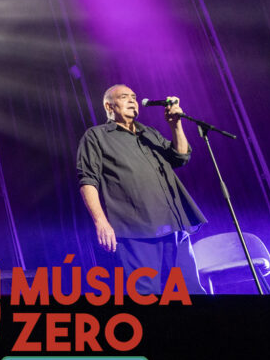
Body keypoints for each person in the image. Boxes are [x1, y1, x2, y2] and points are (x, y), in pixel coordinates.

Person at [76, 84, 206, 294]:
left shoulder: (149, 133)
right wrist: (101, 222)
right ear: (109, 106)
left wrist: (175, 125)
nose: (132, 101)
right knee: (146, 293)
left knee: (191, 290)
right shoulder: (96, 136)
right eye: (124, 97)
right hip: (136, 228)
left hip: (174, 223)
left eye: (134, 97)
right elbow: (87, 180)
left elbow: (181, 157)